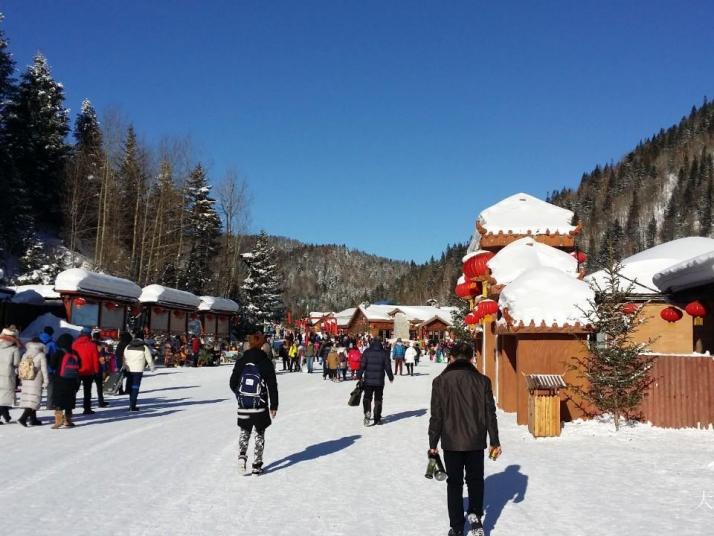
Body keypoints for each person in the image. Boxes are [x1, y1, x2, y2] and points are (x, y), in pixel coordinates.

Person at [428, 342, 501, 536]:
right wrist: (494, 440)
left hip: (451, 442)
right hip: (476, 440)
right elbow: (490, 414)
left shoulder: (440, 381)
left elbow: (437, 415)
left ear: (451, 358)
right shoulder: (483, 381)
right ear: (471, 358)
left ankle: (457, 527)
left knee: (454, 483)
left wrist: (432, 444)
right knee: (476, 480)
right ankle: (475, 513)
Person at [229, 330, 278, 475]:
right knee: (259, 434)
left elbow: (232, 383)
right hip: (260, 405)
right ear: (262, 345)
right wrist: (273, 405)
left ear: (249, 344)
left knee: (244, 431)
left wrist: (241, 395)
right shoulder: (266, 362)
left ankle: (242, 457)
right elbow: (272, 386)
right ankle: (257, 465)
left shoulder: (241, 361)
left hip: (244, 404)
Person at [357, 336, 394, 426]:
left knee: (367, 398)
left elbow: (362, 365)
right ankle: (377, 418)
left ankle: (367, 412)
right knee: (378, 399)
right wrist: (390, 376)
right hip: (379, 381)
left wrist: (359, 375)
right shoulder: (384, 353)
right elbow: (387, 366)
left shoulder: (367, 352)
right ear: (380, 342)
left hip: (368, 380)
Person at [50, 334, 80, 429]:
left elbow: (52, 365)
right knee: (69, 401)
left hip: (60, 379)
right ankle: (68, 421)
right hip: (72, 380)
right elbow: (80, 365)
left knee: (59, 401)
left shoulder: (58, 353)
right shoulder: (75, 353)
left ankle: (58, 421)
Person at [17, 337, 48, 426]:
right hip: (36, 380)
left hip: (26, 379)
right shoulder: (41, 355)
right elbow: (44, 370)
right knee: (34, 400)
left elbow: (21, 367)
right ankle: (22, 419)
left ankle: (33, 419)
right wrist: (46, 381)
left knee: (30, 400)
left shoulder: (25, 354)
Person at [72, 327, 102, 415]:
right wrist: (96, 370)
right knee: (87, 390)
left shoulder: (74, 344)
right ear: (89, 335)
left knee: (74, 389)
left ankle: (70, 406)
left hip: (77, 370)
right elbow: (95, 359)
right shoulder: (92, 345)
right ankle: (87, 408)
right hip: (89, 371)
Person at [123, 337, 155, 411]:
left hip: (129, 369)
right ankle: (132, 406)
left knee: (131, 386)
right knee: (135, 387)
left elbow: (124, 357)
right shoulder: (144, 347)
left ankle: (131, 403)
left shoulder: (127, 347)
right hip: (138, 370)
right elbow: (149, 359)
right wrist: (152, 367)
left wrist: (124, 366)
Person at [0, 327, 22, 423]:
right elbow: (16, 363)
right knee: (5, 397)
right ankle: (5, 415)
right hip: (7, 374)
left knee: (1, 396)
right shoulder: (14, 349)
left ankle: (6, 415)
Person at [39, 327, 58, 409]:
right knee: (51, 387)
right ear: (51, 333)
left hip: (37, 367)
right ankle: (49, 404)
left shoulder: (36, 341)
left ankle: (36, 404)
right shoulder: (52, 343)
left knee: (37, 386)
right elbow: (55, 356)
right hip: (49, 368)